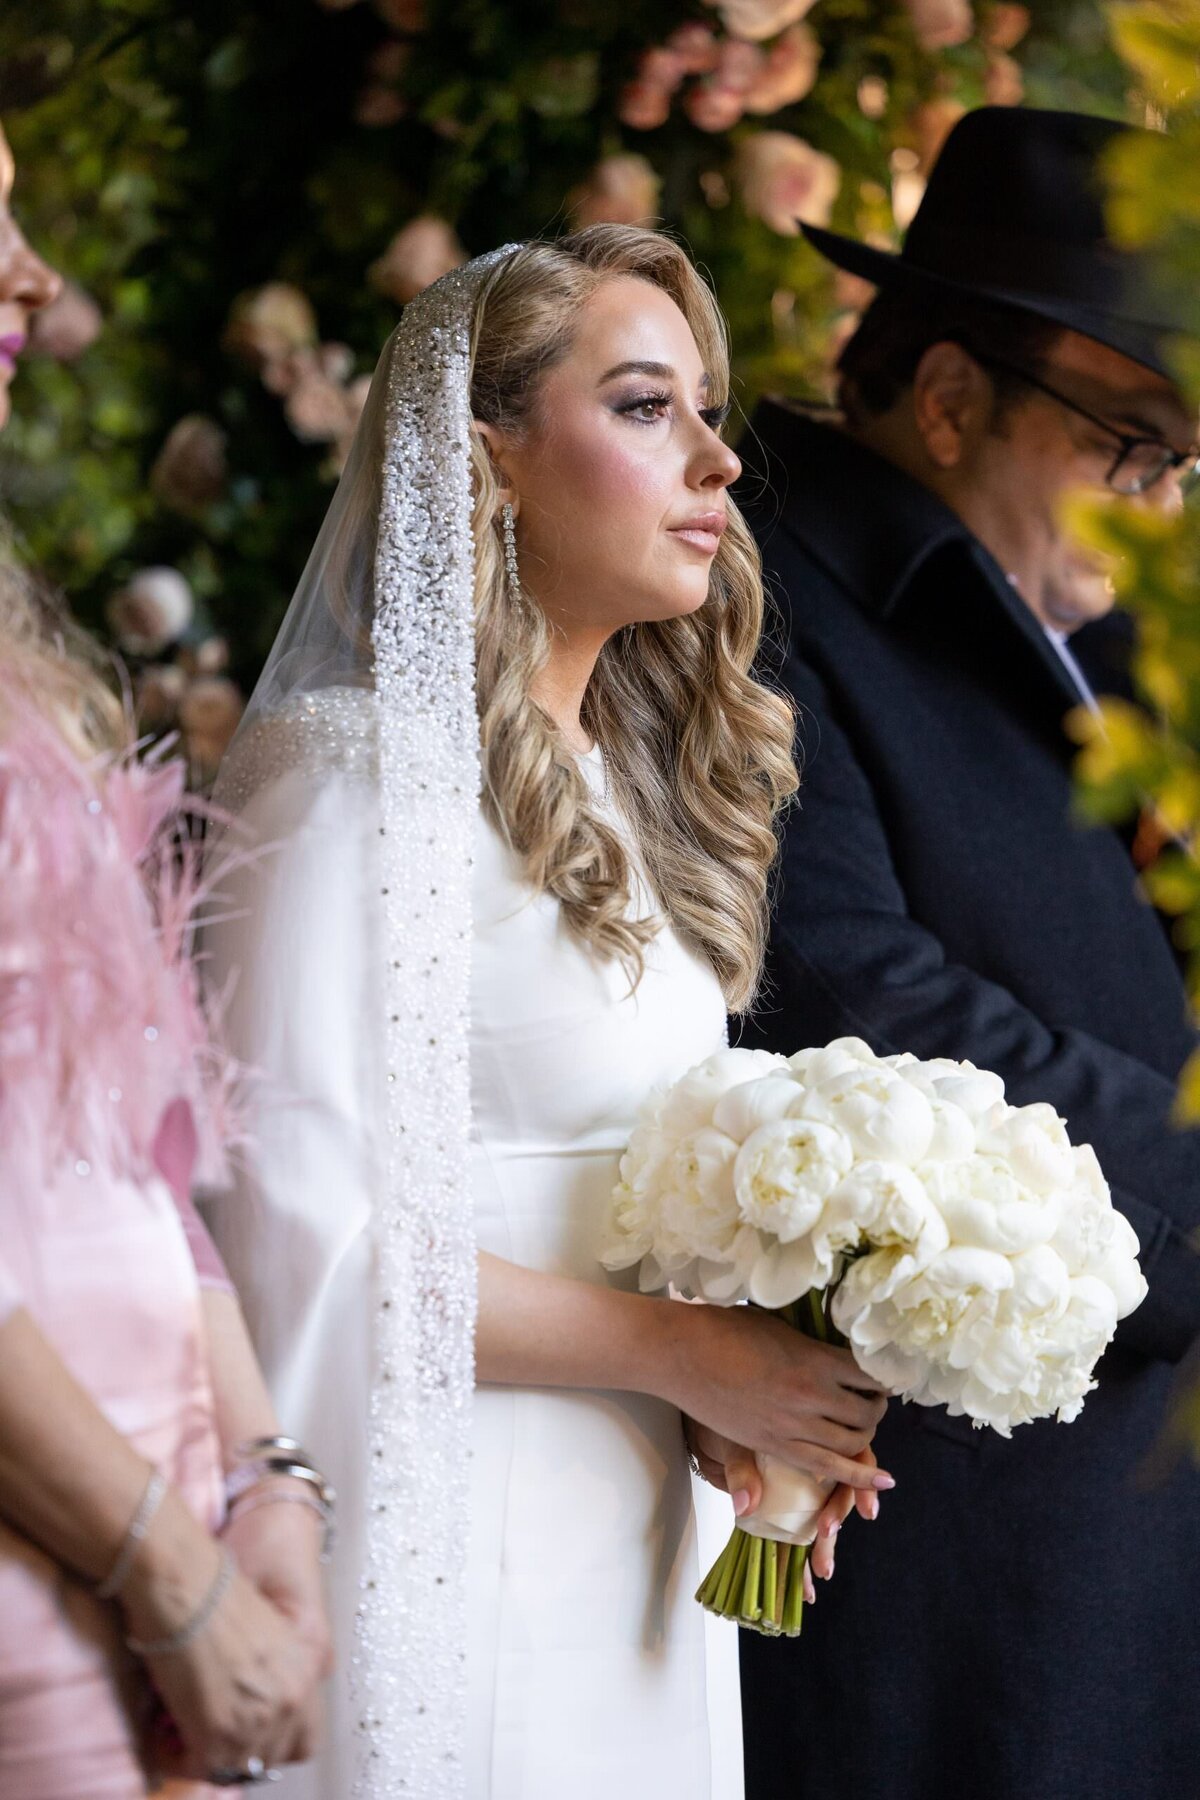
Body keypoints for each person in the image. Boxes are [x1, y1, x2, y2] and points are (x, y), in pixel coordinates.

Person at [201, 224, 895, 1800]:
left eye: (708, 410)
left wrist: (748, 1402)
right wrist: (683, 1353)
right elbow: (295, 1241)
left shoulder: (617, 809)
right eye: (649, 406)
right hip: (454, 1545)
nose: (719, 457)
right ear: (491, 456)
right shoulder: (346, 780)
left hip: (637, 1545)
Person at [735, 106, 1200, 1800]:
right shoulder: (765, 590)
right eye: (1133, 447)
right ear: (946, 398)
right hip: (962, 1540)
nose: (1161, 502)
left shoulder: (1115, 618)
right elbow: (857, 991)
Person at [0, 117, 331, 1796]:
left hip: (157, 1493)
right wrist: (163, 1572)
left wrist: (263, 1478)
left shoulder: (21, 665)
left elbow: (141, 1142)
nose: (31, 276)